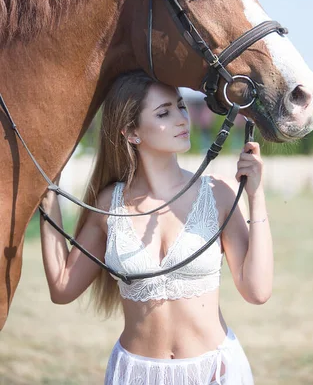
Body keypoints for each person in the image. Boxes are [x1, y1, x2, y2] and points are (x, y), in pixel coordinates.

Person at [40, 70, 273, 384]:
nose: (181, 118)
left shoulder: (217, 193)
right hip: (136, 374)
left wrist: (256, 195)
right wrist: (47, 199)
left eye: (180, 106)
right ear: (131, 132)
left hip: (213, 373)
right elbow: (63, 287)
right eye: (164, 112)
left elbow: (257, 291)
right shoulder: (110, 205)